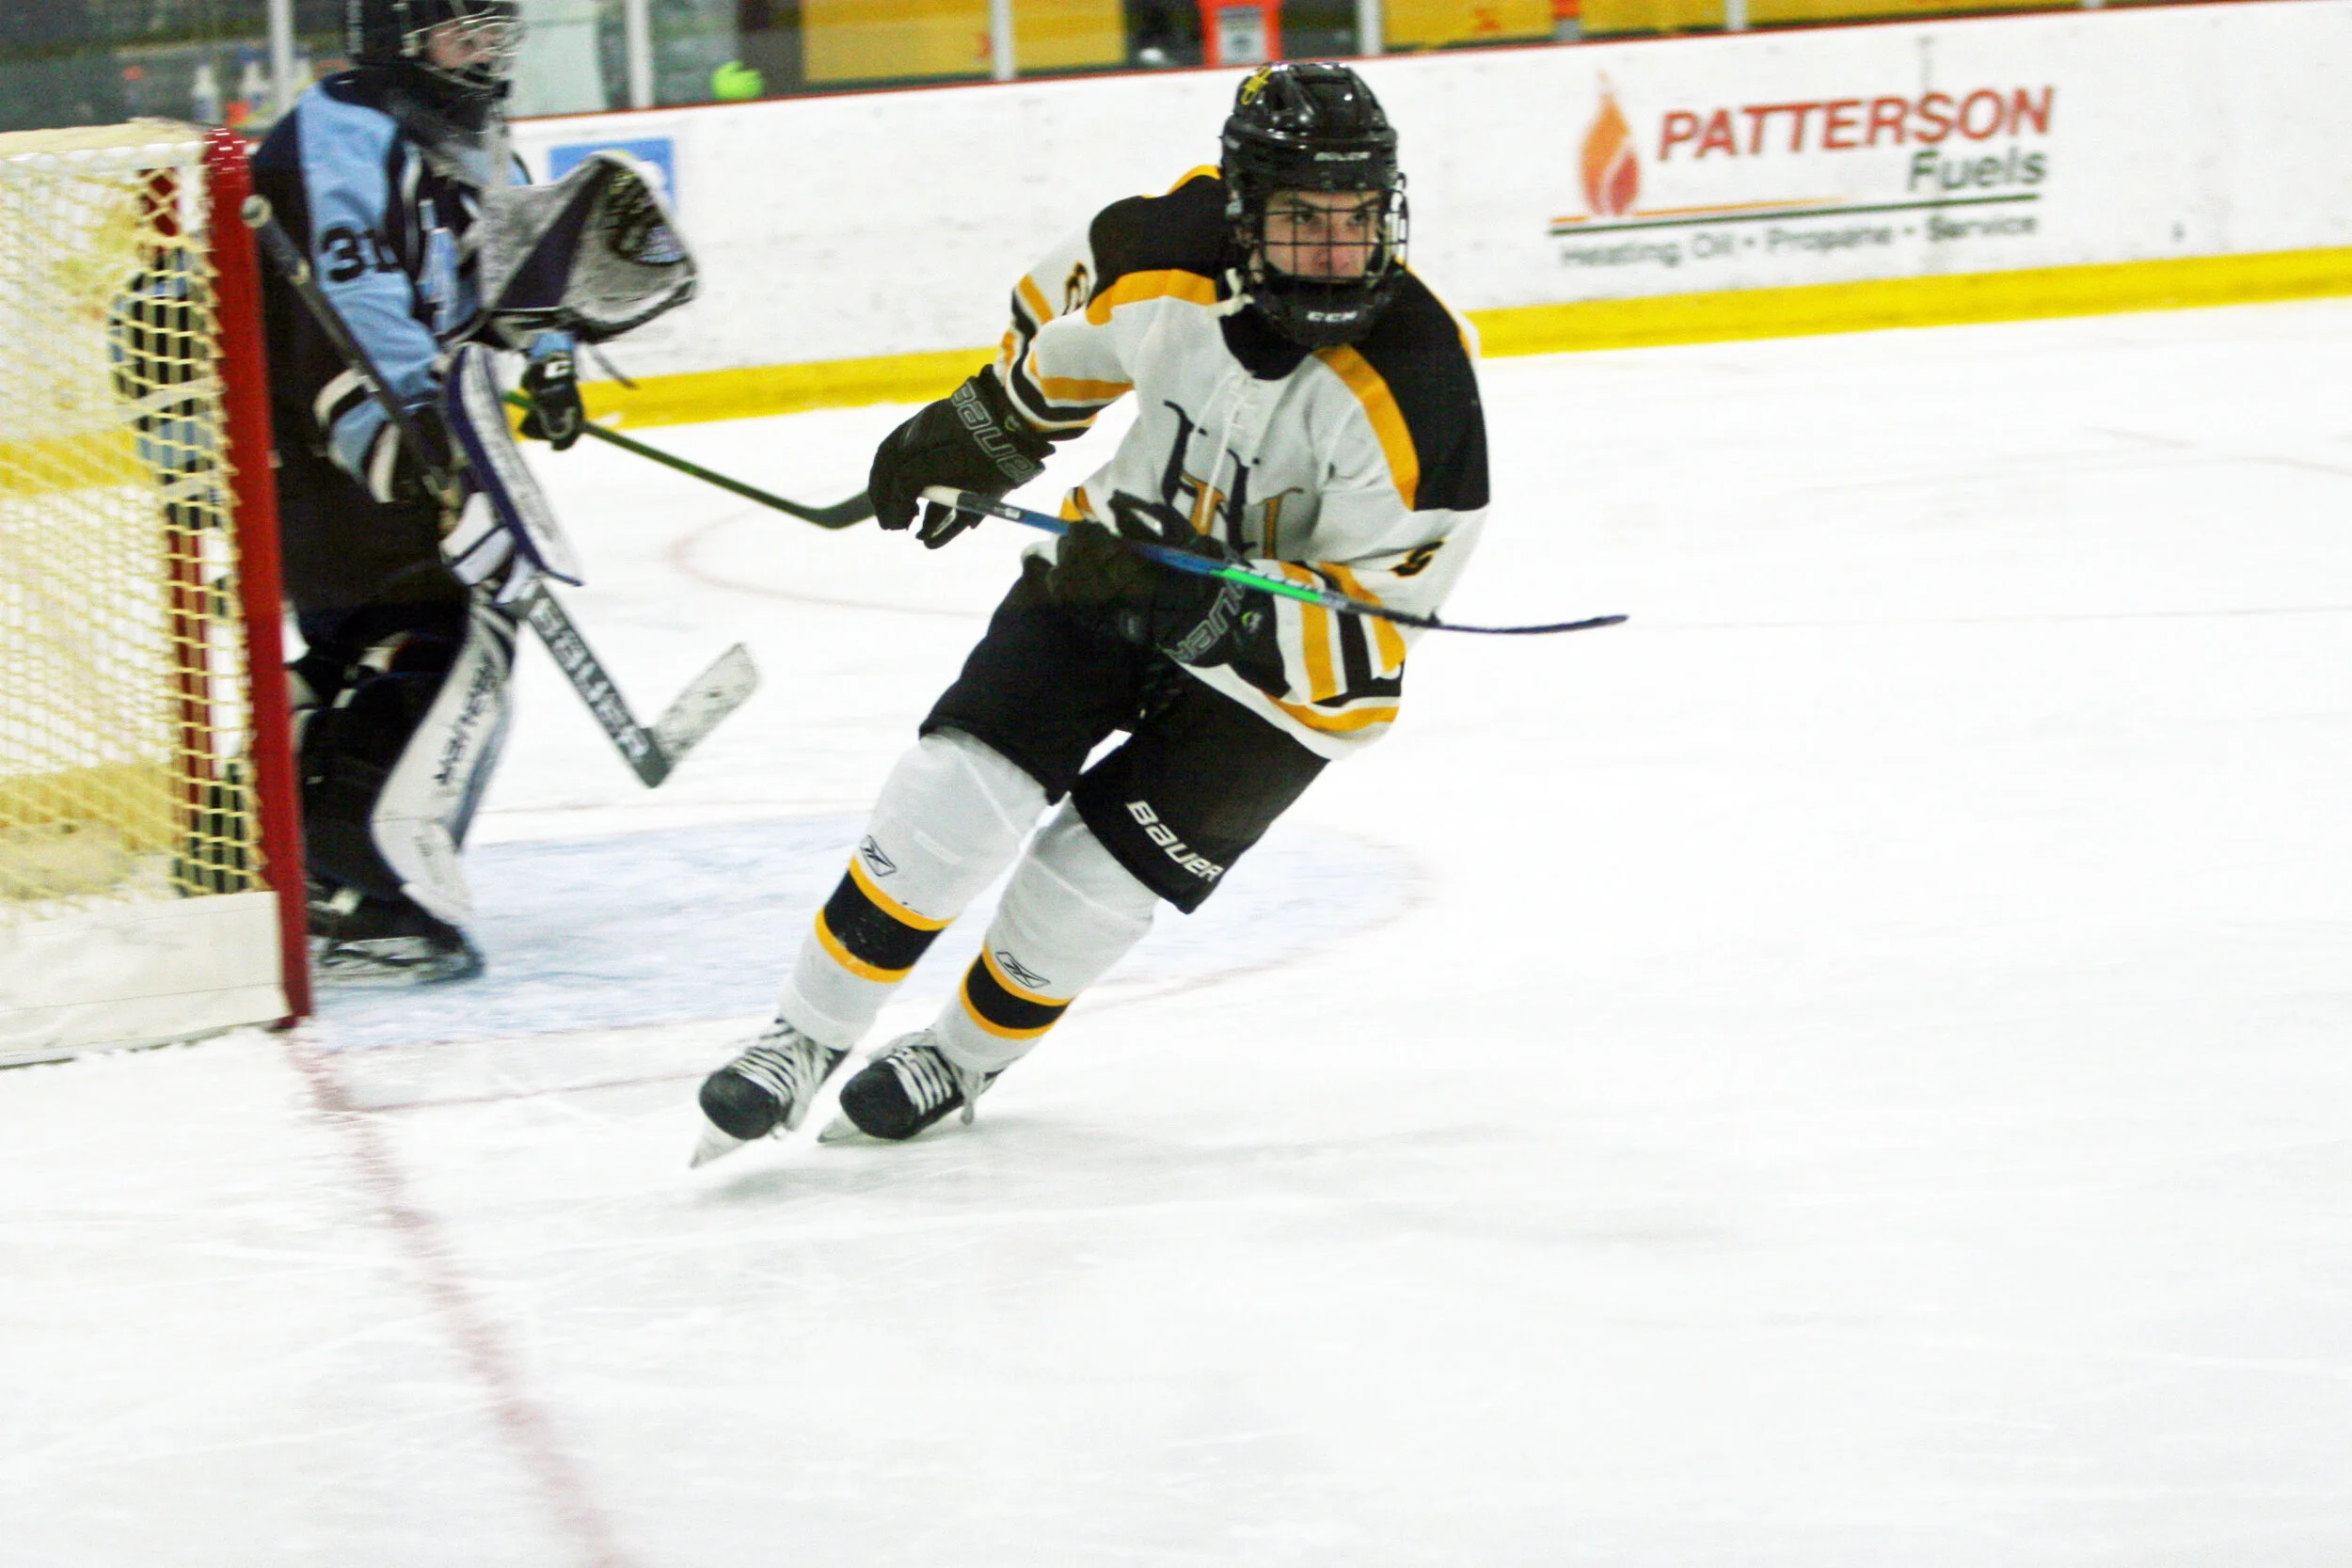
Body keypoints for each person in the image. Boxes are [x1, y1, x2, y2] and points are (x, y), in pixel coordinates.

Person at [691, 61, 1488, 1164]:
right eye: (1303, 218)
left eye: (1356, 219)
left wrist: (1217, 610)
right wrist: (990, 421)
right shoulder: (1160, 250)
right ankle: (802, 1036)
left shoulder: (1423, 388)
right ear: (1245, 210)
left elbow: (1373, 633)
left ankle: (959, 1057)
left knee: (1088, 886)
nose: (1335, 249)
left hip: (1282, 685)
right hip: (1113, 565)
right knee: (949, 797)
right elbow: (1059, 324)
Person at [253, 0, 587, 985]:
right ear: (398, 34)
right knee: (454, 632)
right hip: (318, 457)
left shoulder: (462, 130)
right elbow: (352, 325)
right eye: (462, 30)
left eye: (495, 28)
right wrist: (433, 467)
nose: (485, 50)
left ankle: (279, 827)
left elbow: (513, 262)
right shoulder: (338, 137)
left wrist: (552, 353)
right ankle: (364, 879)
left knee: (387, 640)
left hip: (379, 446)